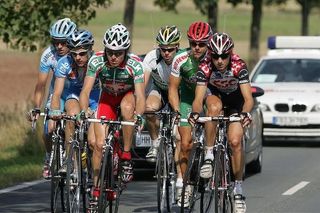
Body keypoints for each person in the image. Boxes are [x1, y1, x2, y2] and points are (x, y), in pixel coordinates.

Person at [78, 23, 145, 201]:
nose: (113, 57)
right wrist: (84, 110)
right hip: (107, 98)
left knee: (127, 108)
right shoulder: (97, 60)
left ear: (126, 51)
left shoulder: (135, 64)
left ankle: (125, 156)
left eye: (118, 53)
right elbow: (85, 91)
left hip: (127, 96)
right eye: (110, 52)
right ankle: (97, 190)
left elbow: (140, 94)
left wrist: (140, 115)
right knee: (99, 145)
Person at [189, 32, 253, 213]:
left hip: (235, 103)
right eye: (215, 56)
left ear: (230, 53)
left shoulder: (239, 66)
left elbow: (248, 99)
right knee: (213, 109)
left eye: (224, 56)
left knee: (234, 141)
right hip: (215, 98)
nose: (219, 60)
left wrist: (245, 113)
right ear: (210, 54)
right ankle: (209, 156)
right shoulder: (205, 66)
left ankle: (238, 190)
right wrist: (194, 113)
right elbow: (198, 98)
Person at [168, 21, 212, 207]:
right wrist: (178, 111)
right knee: (185, 142)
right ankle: (183, 184)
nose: (196, 47)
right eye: (193, 43)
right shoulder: (180, 59)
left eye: (201, 44)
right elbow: (172, 89)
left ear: (208, 43)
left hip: (209, 97)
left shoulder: (215, 58)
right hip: (187, 99)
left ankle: (212, 157)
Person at [27, 18, 77, 179]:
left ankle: (78, 159)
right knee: (49, 129)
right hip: (57, 93)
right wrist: (36, 107)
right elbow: (41, 84)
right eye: (56, 42)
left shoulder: (80, 53)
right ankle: (49, 156)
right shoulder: (48, 54)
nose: (59, 46)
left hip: (75, 93)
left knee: (77, 122)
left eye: (63, 42)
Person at [49, 29, 100, 173]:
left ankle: (94, 164)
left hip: (95, 96)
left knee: (92, 140)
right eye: (74, 53)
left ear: (90, 49)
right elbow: (57, 92)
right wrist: (54, 110)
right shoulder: (64, 63)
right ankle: (69, 159)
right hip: (74, 94)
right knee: (71, 115)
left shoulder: (97, 61)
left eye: (82, 53)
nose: (78, 57)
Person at [143, 25, 183, 199]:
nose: (166, 53)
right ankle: (155, 143)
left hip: (178, 93)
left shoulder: (182, 58)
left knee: (178, 135)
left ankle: (180, 178)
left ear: (177, 46)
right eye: (163, 49)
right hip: (159, 89)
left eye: (170, 49)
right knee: (148, 109)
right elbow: (142, 84)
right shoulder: (152, 58)